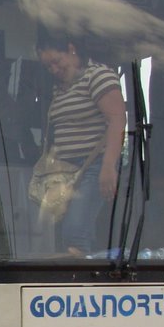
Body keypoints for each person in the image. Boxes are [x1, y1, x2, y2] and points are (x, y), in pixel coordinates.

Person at [36, 34, 126, 254]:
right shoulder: (61, 87)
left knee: (75, 229)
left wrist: (108, 167)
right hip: (66, 171)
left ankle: (79, 279)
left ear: (71, 50)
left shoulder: (98, 76)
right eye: (48, 67)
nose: (54, 69)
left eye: (57, 61)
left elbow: (117, 119)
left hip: (93, 166)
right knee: (63, 227)